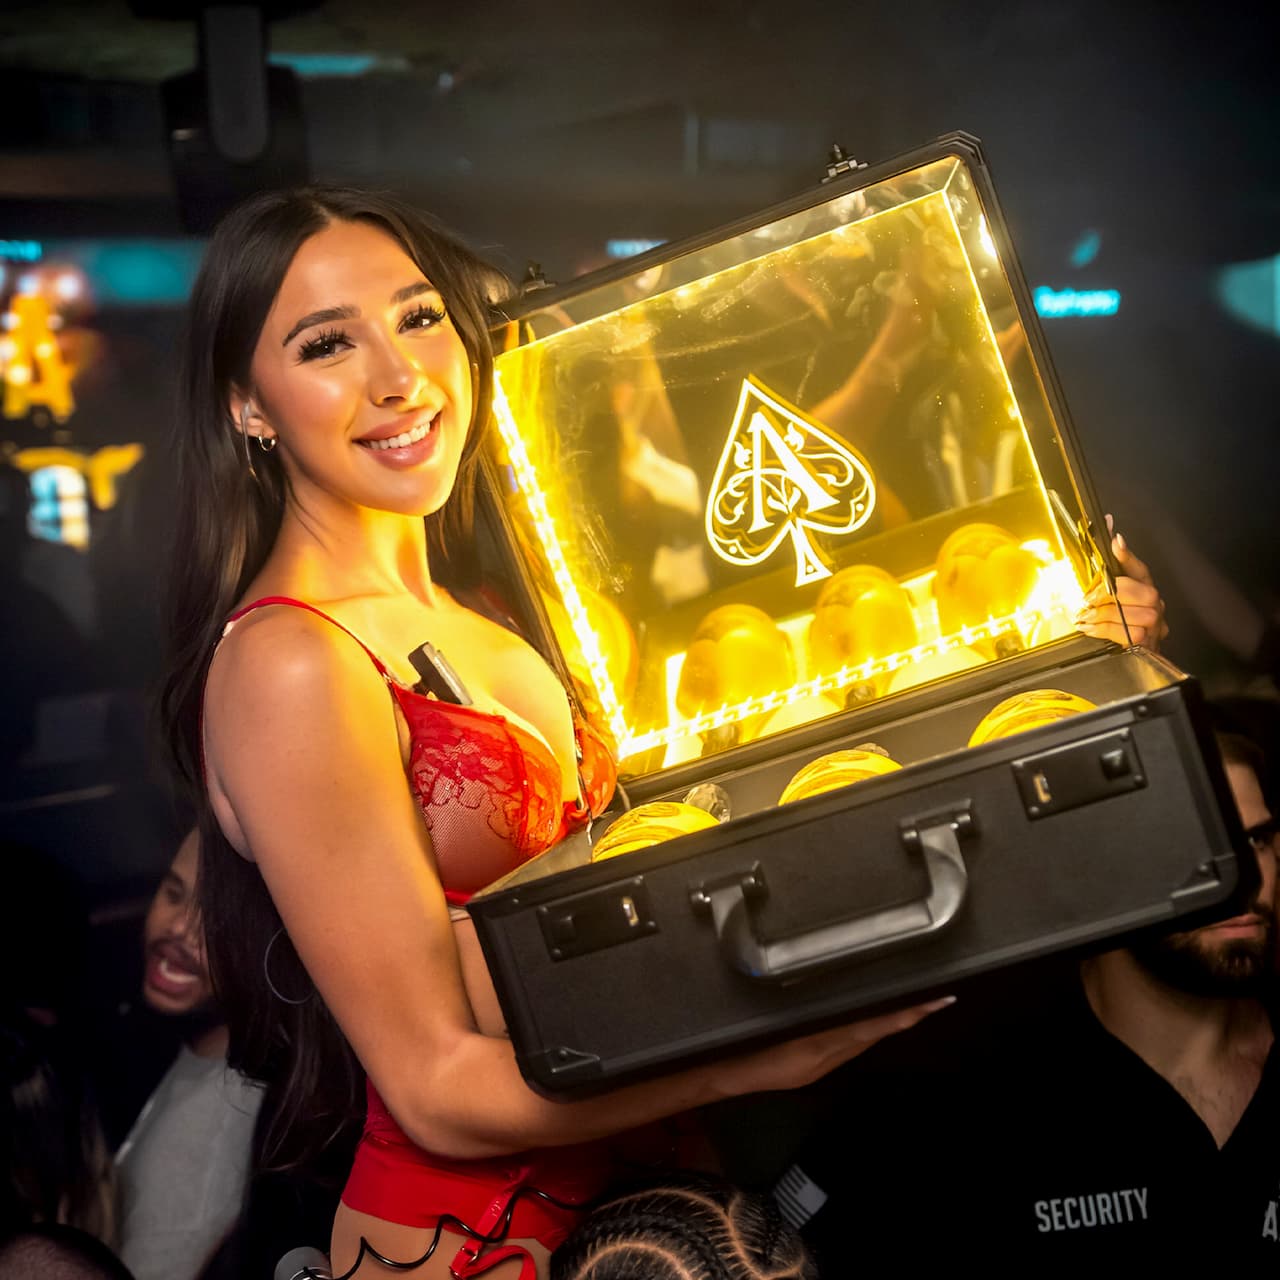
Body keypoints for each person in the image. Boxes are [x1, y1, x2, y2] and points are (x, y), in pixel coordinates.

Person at [156, 186, 953, 1280]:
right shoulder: (288, 660)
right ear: (248, 404)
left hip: (660, 1211)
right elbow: (434, 1086)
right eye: (327, 343)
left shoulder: (488, 614)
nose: (399, 377)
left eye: (419, 316)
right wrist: (745, 1059)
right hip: (470, 1242)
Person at [775, 722, 1279, 1266]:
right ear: (1099, 870)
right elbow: (761, 1251)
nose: (1244, 878)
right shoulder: (956, 1089)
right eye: (1194, 840)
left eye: (1256, 840)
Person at [112, 830, 264, 1280]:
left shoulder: (228, 1113)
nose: (178, 927)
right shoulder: (176, 1049)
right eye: (173, 893)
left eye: (216, 919)